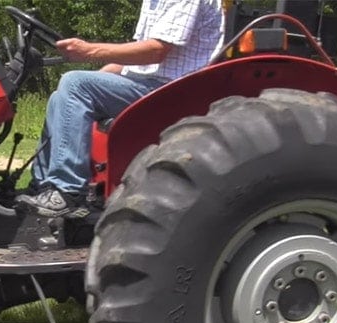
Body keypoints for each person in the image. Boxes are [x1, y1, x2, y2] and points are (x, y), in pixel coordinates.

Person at [15, 0, 225, 217]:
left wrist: (89, 51)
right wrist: (107, 71)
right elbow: (140, 56)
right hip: (152, 82)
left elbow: (155, 51)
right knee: (61, 96)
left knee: (75, 83)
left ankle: (67, 191)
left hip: (173, 88)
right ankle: (43, 186)